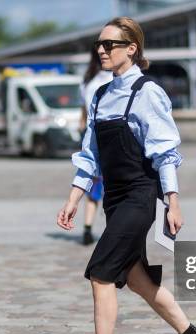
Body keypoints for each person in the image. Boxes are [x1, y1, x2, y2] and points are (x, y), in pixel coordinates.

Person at [57, 16, 196, 334]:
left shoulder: (147, 92)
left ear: (132, 49)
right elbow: (90, 155)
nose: (101, 50)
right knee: (137, 280)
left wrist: (173, 202)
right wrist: (73, 198)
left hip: (140, 195)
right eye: (99, 45)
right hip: (114, 197)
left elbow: (165, 152)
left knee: (100, 273)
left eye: (109, 45)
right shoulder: (99, 95)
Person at [79, 48, 113, 245]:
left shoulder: (86, 82)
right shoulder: (113, 81)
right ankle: (112, 229)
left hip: (90, 137)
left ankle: (87, 228)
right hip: (109, 137)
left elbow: (83, 116)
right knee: (113, 186)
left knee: (92, 183)